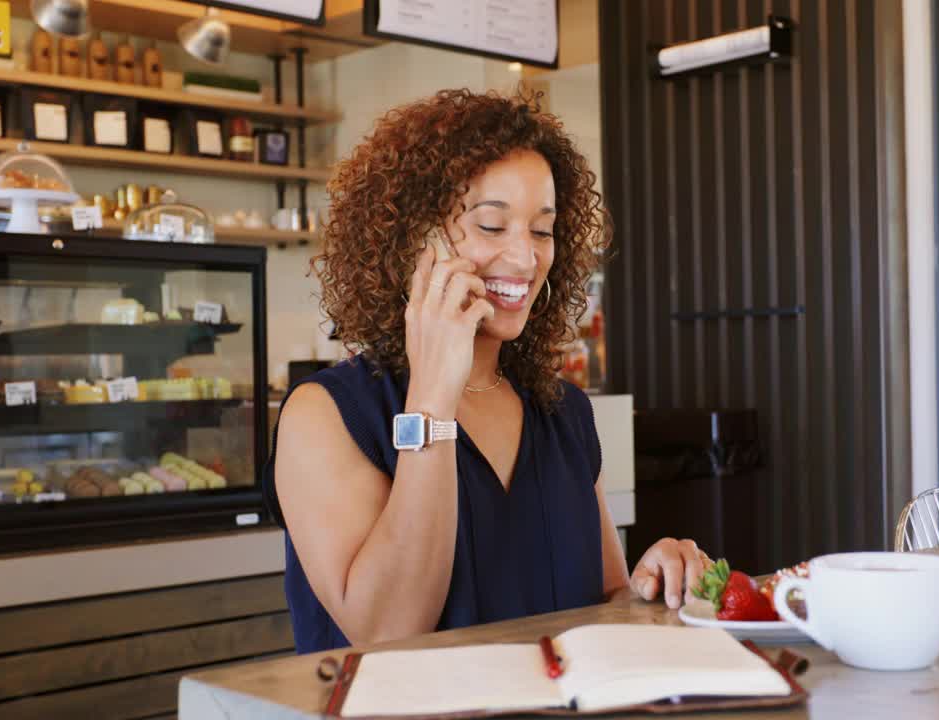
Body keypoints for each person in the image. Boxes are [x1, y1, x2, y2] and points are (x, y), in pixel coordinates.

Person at [263, 89, 708, 654]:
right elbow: (387, 633)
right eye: (493, 227)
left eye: (542, 230)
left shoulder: (563, 412)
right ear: (410, 241)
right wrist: (431, 399)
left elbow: (604, 604)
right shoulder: (326, 415)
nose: (525, 258)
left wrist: (653, 584)